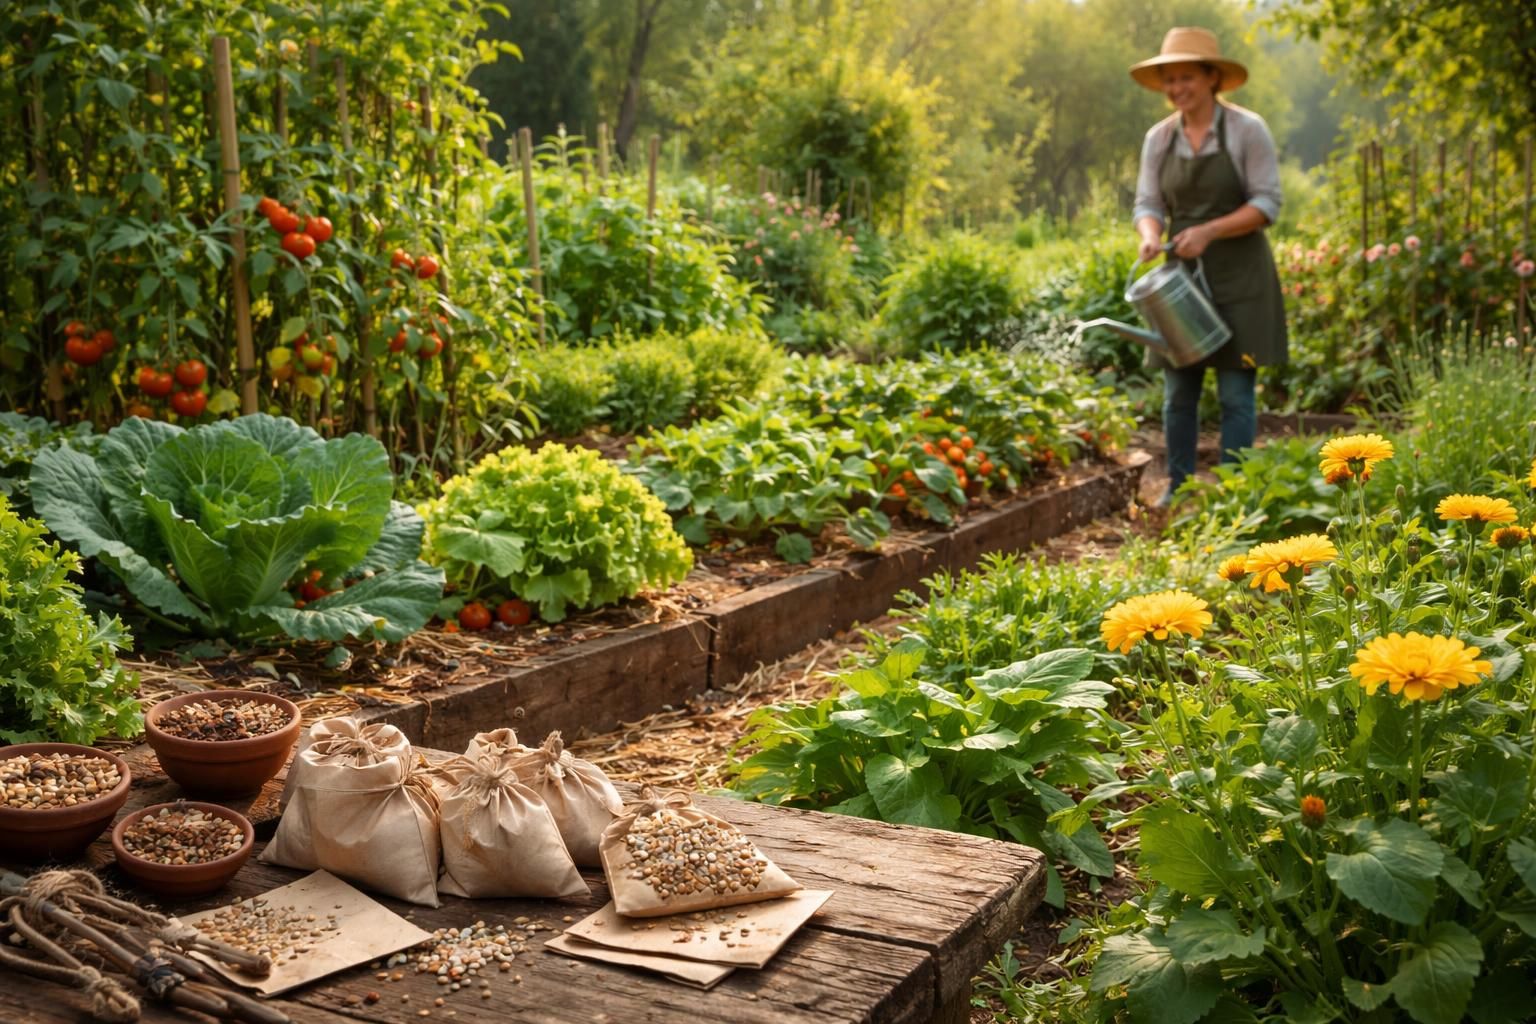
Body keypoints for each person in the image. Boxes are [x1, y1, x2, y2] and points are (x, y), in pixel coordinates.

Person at [1129, 26, 1287, 507]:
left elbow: (1267, 203)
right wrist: (1152, 236)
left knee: (1237, 395)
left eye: (1186, 78)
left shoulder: (1246, 130)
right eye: (1169, 80)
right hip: (1180, 282)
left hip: (1241, 275)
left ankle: (1235, 499)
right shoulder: (1159, 138)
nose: (1177, 89)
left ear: (1212, 77)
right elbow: (1147, 202)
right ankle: (1178, 491)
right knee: (1179, 395)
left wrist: (1210, 231)